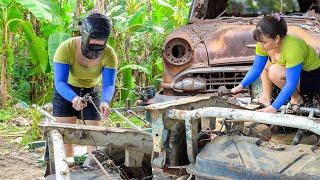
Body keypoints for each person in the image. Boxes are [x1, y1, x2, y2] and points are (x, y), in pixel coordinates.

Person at [52, 12, 117, 162]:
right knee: (67, 135)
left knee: (94, 134)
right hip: (66, 90)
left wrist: (105, 101)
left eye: (100, 43)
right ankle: (68, 168)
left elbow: (108, 84)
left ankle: (94, 166)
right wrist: (73, 98)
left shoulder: (109, 54)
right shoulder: (66, 48)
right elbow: (60, 82)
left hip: (91, 91)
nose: (95, 47)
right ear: (84, 35)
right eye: (92, 42)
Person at [231, 14, 320, 114]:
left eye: (263, 42)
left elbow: (291, 83)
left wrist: (274, 107)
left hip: (312, 76)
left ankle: (297, 99)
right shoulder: (263, 44)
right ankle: (266, 97)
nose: (260, 45)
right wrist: (242, 85)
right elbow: (256, 68)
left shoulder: (293, 47)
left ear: (277, 39)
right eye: (259, 41)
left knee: (274, 71)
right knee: (266, 65)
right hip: (294, 74)